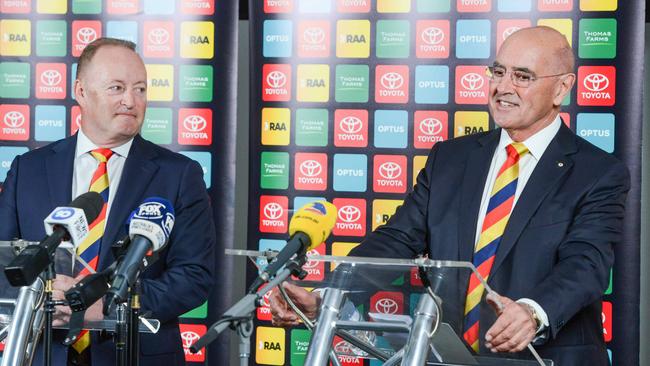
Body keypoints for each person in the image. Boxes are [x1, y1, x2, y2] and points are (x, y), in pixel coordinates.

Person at [270, 26, 629, 365]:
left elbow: (585, 264)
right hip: (450, 355)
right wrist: (328, 295)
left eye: (522, 76)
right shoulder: (450, 158)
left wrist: (532, 312)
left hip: (546, 357)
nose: (503, 87)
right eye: (498, 71)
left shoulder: (597, 173)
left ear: (561, 88)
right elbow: (396, 240)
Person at [0, 38, 216, 365]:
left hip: (136, 354)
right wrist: (43, 297)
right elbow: (4, 266)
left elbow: (194, 276)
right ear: (81, 92)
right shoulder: (28, 169)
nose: (131, 100)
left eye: (140, 89)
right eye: (116, 88)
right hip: (43, 351)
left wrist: (108, 304)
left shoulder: (180, 174)